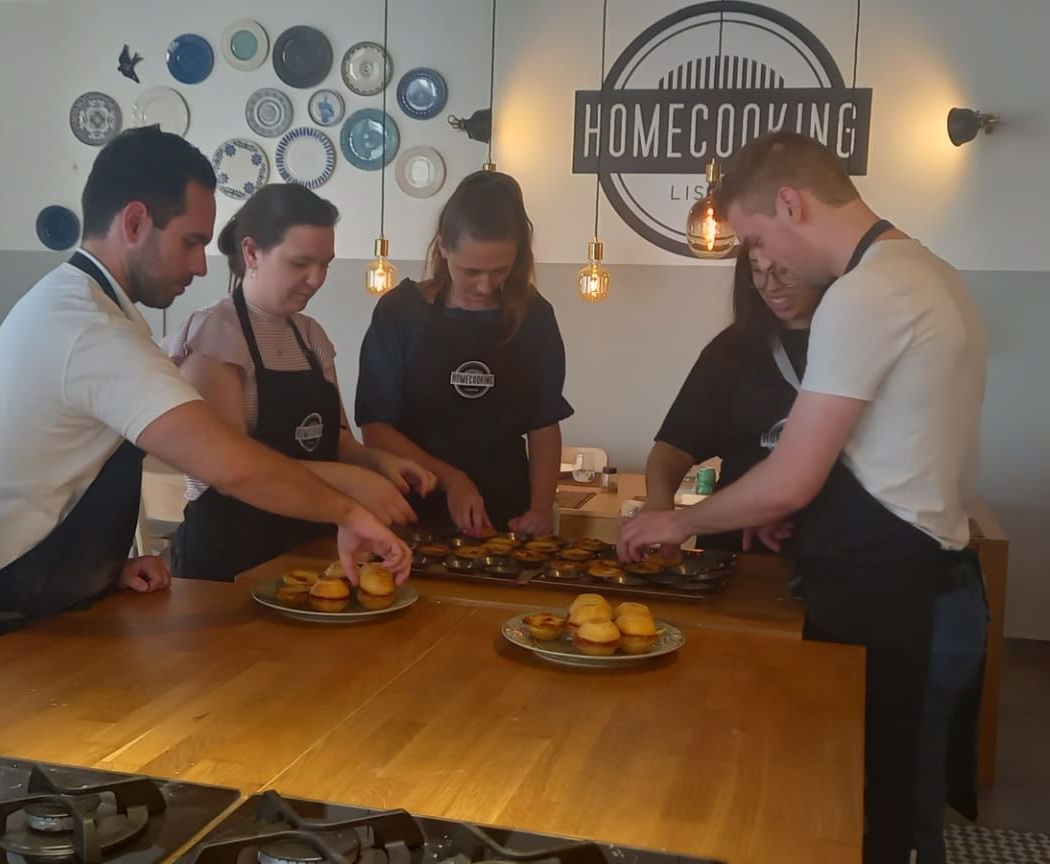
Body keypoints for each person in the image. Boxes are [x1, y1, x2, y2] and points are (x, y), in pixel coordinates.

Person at [619, 131, 988, 864]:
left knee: (876, 827)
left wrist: (677, 521)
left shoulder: (866, 292)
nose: (762, 264)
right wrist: (780, 518)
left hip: (900, 608)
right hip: (926, 593)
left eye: (756, 236)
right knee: (887, 817)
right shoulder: (930, 272)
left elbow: (794, 474)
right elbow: (884, 465)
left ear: (790, 203)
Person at [0, 128, 410, 652]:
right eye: (191, 242)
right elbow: (231, 464)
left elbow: (59, 473)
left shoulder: (99, 311)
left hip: (39, 595)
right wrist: (348, 510)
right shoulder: (86, 328)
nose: (200, 265)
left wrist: (100, 569)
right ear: (136, 222)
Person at [165, 184, 436, 581]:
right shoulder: (213, 337)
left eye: (325, 264)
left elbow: (339, 441)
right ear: (252, 252)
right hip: (230, 561)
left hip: (306, 550)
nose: (316, 279)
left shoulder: (311, 337)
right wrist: (352, 483)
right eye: (300, 263)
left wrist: (380, 463)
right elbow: (229, 472)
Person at [355, 171, 572, 536]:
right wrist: (452, 480)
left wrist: (539, 509)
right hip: (411, 510)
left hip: (506, 516)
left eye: (500, 270)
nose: (485, 286)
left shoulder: (534, 316)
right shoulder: (400, 312)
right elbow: (376, 429)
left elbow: (544, 423)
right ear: (443, 248)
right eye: (470, 271)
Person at [645, 246, 823, 553]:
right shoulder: (729, 351)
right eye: (758, 271)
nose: (771, 285)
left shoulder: (854, 344)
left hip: (834, 542)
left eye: (785, 271)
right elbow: (672, 449)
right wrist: (659, 509)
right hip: (734, 543)